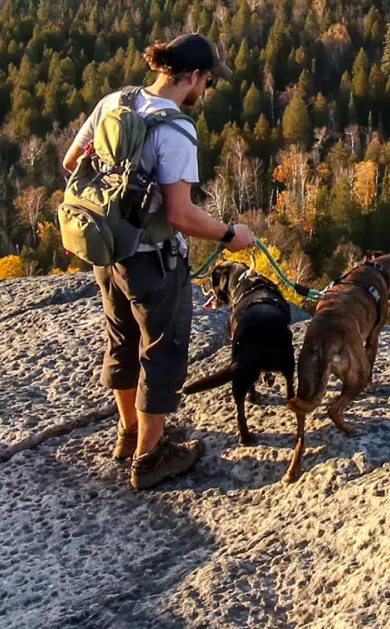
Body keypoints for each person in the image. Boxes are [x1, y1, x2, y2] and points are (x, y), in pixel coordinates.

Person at [61, 32, 253, 489]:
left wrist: (117, 190)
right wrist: (231, 235)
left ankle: (128, 432)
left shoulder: (115, 102)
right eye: (207, 82)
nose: (206, 91)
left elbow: (71, 161)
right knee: (162, 352)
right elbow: (180, 214)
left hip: (108, 252)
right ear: (193, 76)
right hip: (153, 262)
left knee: (122, 341)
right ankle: (150, 457)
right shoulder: (176, 130)